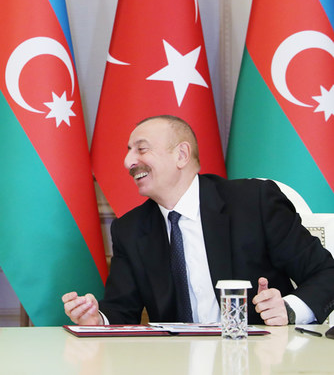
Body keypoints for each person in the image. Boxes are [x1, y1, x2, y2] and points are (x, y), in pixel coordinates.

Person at [63, 115, 334, 326]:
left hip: (261, 360)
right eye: (129, 151)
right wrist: (98, 320)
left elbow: (327, 274)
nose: (128, 161)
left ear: (181, 155)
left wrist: (289, 309)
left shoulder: (254, 202)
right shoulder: (131, 229)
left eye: (141, 149)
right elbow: (121, 310)